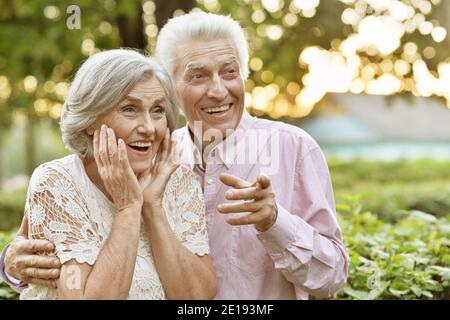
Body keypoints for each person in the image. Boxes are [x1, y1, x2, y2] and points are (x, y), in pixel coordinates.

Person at [2, 12, 348, 299]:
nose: (218, 90)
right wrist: (10, 264)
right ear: (172, 88)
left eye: (229, 73)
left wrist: (275, 222)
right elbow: (40, 241)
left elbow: (332, 277)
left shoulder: (294, 149)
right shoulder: (153, 156)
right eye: (198, 76)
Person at [2, 48, 217, 300]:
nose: (148, 128)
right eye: (129, 109)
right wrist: (128, 208)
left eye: (157, 110)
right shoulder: (57, 181)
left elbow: (197, 298)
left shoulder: (180, 182)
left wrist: (152, 206)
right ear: (90, 120)